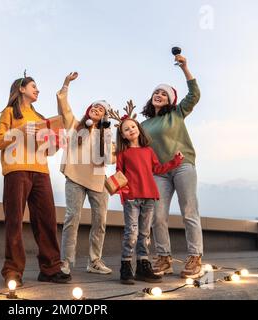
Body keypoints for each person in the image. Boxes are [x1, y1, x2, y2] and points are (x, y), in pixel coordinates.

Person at [0, 74, 71, 288]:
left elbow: (48, 150)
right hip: (16, 170)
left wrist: (57, 142)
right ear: (21, 89)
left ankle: (51, 268)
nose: (37, 90)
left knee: (46, 220)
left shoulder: (40, 116)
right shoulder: (9, 112)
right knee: (14, 221)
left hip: (41, 172)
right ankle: (12, 271)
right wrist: (19, 130)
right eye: (33, 86)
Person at [141, 53, 203, 278]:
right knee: (157, 216)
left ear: (170, 100)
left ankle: (195, 257)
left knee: (189, 211)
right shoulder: (144, 124)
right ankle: (164, 258)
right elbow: (135, 148)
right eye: (156, 92)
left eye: (163, 93)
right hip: (159, 173)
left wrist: (185, 67)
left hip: (183, 165)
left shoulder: (177, 113)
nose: (159, 95)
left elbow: (194, 94)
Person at [112, 103, 183, 284]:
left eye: (133, 127)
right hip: (132, 198)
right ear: (122, 135)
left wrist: (175, 161)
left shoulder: (148, 151)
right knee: (132, 233)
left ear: (139, 128)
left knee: (144, 234)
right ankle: (126, 266)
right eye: (126, 129)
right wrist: (124, 194)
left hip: (150, 197)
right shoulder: (123, 154)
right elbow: (119, 175)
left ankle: (143, 266)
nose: (131, 130)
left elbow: (158, 169)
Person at [57, 72, 115, 276]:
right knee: (72, 217)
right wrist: (66, 84)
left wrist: (107, 133)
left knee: (100, 220)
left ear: (105, 116)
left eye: (101, 109)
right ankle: (65, 261)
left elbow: (109, 158)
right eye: (94, 106)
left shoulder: (105, 134)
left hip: (98, 179)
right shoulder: (74, 125)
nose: (96, 109)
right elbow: (64, 106)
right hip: (74, 176)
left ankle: (94, 261)